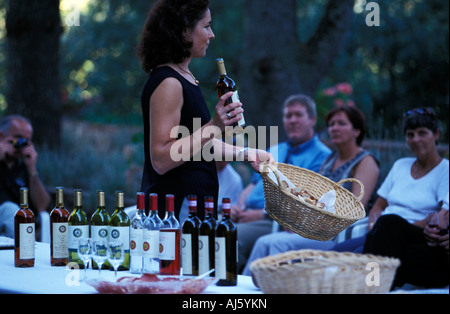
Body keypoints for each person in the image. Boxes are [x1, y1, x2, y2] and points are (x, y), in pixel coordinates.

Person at [137, 0, 273, 221]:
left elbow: (198, 146)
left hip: (192, 212)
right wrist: (213, 126)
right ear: (183, 30)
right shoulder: (168, 83)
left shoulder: (185, 78)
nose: (212, 35)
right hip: (175, 214)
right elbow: (161, 159)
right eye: (206, 26)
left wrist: (247, 154)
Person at [242, 105, 380, 275]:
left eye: (341, 124)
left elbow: (354, 207)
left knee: (278, 243)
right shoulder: (330, 159)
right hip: (316, 227)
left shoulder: (366, 161)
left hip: (338, 234)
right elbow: (315, 199)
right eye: (331, 124)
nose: (334, 128)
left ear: (357, 131)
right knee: (264, 242)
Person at [234, 95, 333, 272]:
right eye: (288, 116)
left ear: (312, 119)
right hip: (247, 215)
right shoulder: (275, 149)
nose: (292, 120)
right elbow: (252, 186)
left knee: (229, 237)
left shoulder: (322, 156)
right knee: (209, 229)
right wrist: (239, 205)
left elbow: (307, 201)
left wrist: (263, 214)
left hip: (274, 220)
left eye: (298, 115)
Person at [362, 108, 449, 289]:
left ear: (437, 134)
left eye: (422, 133)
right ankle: (376, 286)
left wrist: (383, 226)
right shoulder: (400, 165)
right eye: (410, 134)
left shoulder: (445, 170)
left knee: (389, 224)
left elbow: (443, 217)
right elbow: (378, 206)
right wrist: (374, 225)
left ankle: (372, 287)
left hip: (418, 234)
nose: (416, 139)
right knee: (339, 253)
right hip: (384, 236)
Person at [0, 115, 51, 240]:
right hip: (9, 218)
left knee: (18, 214)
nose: (21, 144)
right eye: (18, 138)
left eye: (26, 141)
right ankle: (25, 253)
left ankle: (25, 254)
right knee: (10, 210)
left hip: (20, 228)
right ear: (1, 136)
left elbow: (42, 206)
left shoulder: (24, 167)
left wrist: (32, 169)